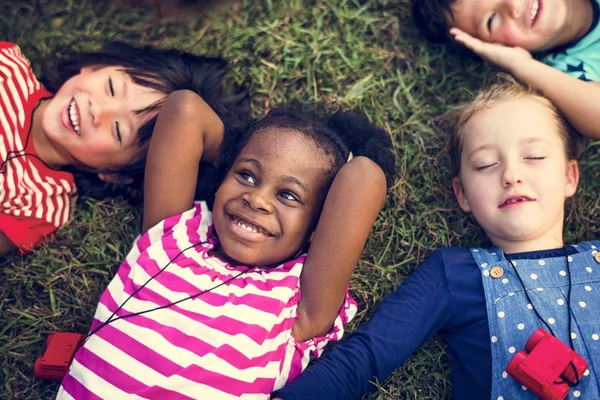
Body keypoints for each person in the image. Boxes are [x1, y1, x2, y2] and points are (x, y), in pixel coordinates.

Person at [271, 75, 600, 400]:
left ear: (570, 177)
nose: (511, 175)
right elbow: (369, 355)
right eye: (486, 164)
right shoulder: (455, 274)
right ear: (463, 194)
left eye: (534, 157)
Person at [55, 90, 397, 399]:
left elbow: (364, 175)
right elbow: (184, 109)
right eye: (246, 175)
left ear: (318, 228)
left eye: (288, 195)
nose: (256, 199)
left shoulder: (300, 305)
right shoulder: (171, 239)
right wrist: (240, 144)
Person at [0, 41, 242, 255]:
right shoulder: (8, 68)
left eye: (117, 131)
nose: (98, 112)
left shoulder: (42, 205)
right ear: (95, 67)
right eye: (112, 88)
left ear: (114, 172)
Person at [411, 0, 600, 141]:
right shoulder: (564, 74)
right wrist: (521, 65)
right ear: (497, 48)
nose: (513, 4)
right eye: (491, 20)